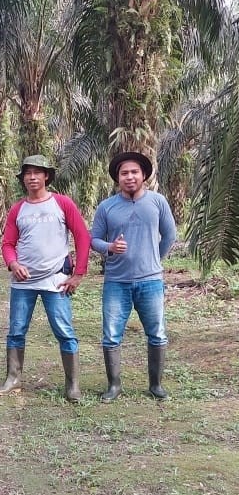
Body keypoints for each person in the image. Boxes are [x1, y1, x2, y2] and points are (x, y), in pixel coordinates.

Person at [0, 155, 90, 402]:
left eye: (38, 172)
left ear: (47, 176)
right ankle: (13, 379)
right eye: (28, 173)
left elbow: (82, 237)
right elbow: (8, 244)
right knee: (16, 331)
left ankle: (72, 385)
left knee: (64, 331)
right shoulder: (18, 208)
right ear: (23, 178)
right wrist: (13, 263)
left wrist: (78, 274)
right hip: (23, 282)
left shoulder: (62, 203)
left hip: (56, 279)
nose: (32, 177)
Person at [91, 152, 176, 402]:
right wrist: (109, 248)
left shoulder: (158, 202)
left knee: (157, 333)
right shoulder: (107, 207)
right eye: (124, 173)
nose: (130, 177)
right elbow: (94, 239)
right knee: (111, 334)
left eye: (134, 172)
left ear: (144, 175)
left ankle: (156, 385)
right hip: (116, 283)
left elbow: (169, 235)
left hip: (151, 281)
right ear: (118, 178)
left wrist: (155, 259)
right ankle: (114, 386)